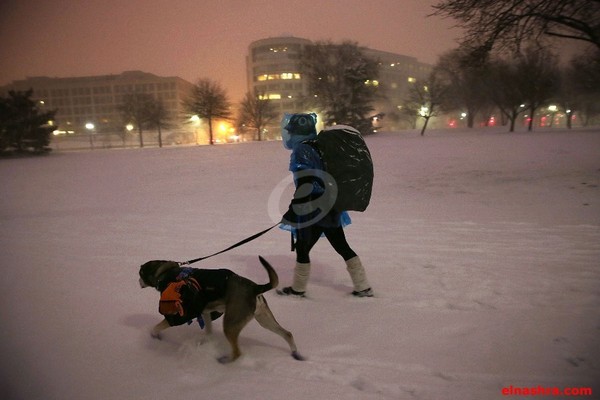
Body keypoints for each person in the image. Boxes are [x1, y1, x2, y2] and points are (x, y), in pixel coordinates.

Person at [277, 113, 373, 298]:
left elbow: (307, 183)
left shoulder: (301, 150)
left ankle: (298, 289)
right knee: (339, 245)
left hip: (313, 207)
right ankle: (363, 286)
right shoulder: (319, 145)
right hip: (331, 205)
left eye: (290, 131)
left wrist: (293, 210)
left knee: (304, 247)